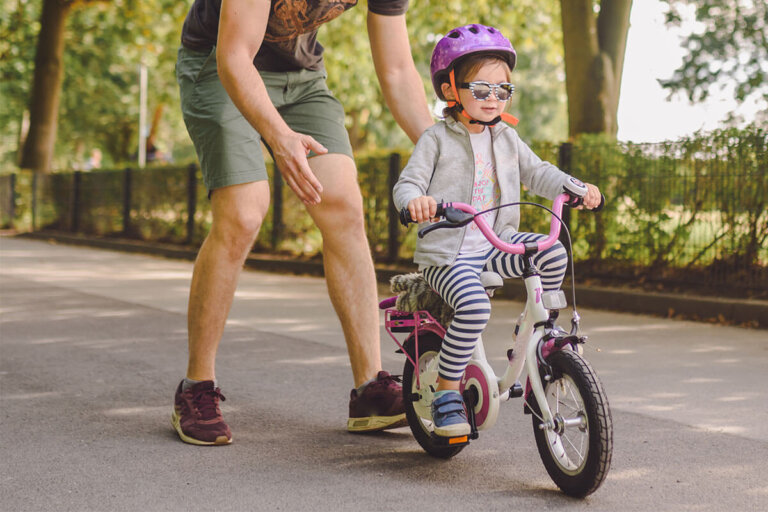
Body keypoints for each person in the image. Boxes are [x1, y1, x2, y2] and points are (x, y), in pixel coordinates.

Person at [172, 0, 433, 445]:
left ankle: (370, 388)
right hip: (220, 65)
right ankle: (196, 387)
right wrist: (278, 137)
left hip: (303, 79)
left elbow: (397, 71)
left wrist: (442, 155)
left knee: (344, 207)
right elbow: (234, 56)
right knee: (244, 211)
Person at [393, 24, 602, 437]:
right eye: (482, 88)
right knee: (473, 308)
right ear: (451, 90)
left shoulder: (506, 137)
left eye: (503, 90)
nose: (494, 98)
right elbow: (408, 184)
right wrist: (415, 202)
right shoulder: (435, 139)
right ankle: (448, 391)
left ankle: (536, 333)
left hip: (495, 243)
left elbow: (538, 173)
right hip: (448, 252)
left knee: (551, 251)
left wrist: (573, 187)